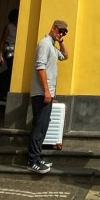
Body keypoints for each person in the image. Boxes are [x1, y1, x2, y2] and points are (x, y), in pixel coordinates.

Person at [27, 19, 68, 173]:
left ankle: (37, 157)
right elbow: (40, 68)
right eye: (60, 31)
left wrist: (61, 41)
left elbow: (65, 56)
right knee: (39, 126)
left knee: (43, 126)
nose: (61, 34)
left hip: (47, 92)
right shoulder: (45, 44)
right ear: (53, 28)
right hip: (41, 93)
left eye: (63, 32)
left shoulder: (52, 45)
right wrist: (46, 90)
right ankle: (33, 160)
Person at [0, 7, 19, 103]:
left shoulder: (19, 27)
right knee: (11, 71)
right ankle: (1, 88)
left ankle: (3, 89)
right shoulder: (9, 27)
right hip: (9, 53)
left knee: (11, 72)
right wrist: (0, 54)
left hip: (15, 52)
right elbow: (3, 41)